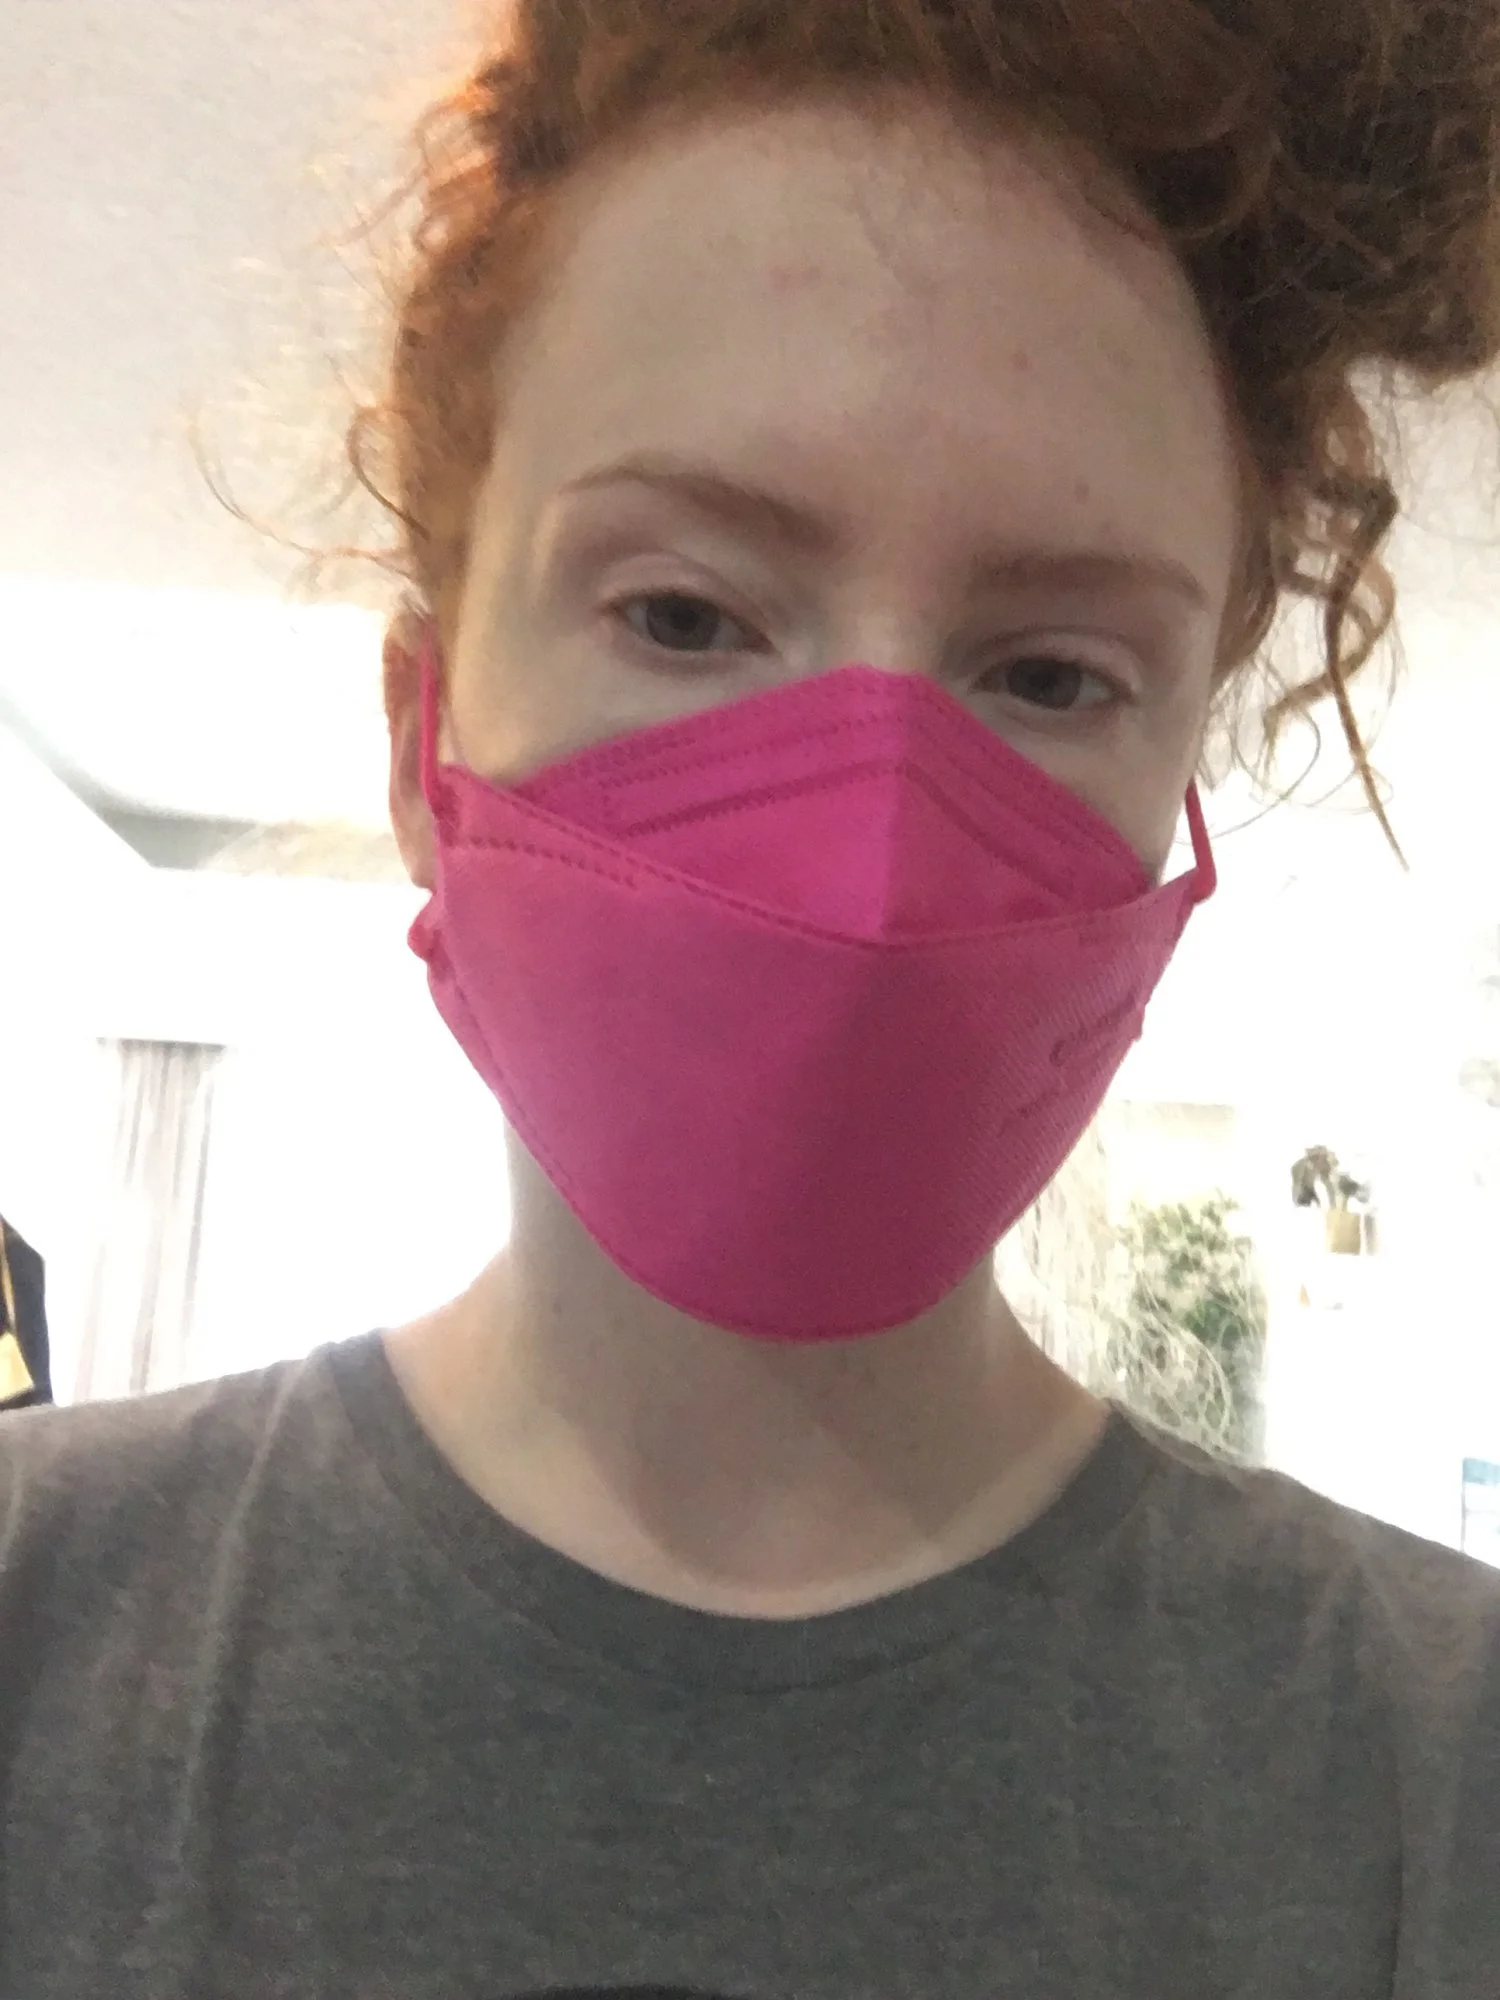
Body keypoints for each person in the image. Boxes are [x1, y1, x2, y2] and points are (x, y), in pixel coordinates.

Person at [3, 0, 1499, 1993]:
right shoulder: (40, 1630)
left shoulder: (1437, 1771)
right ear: (421, 741)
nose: (867, 857)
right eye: (685, 611)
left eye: (1052, 673)